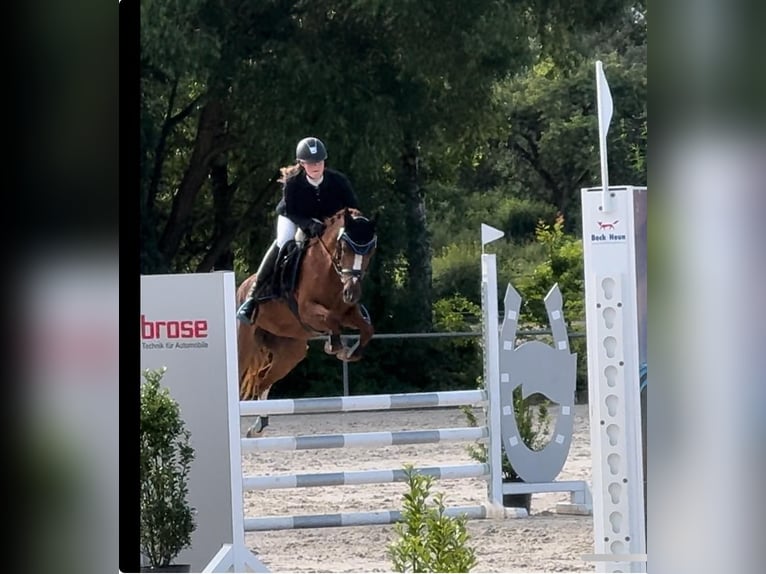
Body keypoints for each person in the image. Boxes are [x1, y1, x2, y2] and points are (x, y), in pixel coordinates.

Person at [237, 136, 361, 323]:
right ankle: (253, 297)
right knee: (284, 241)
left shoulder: (338, 181)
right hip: (294, 217)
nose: (315, 166)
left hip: (328, 223)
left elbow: (352, 207)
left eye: (318, 161)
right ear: (302, 164)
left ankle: (350, 296)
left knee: (348, 249)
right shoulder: (293, 182)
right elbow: (291, 211)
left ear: (324, 161)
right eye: (310, 163)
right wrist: (308, 224)